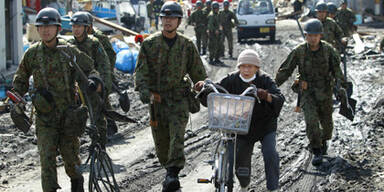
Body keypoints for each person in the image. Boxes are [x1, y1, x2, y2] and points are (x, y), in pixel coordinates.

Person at [12, 7, 101, 192]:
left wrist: (93, 81)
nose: (45, 30)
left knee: (71, 161)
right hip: (44, 119)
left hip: (68, 117)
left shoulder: (68, 51)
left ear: (58, 28)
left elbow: (89, 68)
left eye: (49, 26)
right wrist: (17, 97)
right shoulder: (32, 53)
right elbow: (21, 79)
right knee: (47, 161)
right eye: (41, 27)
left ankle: (77, 185)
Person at [134, 2, 207, 191]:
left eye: (172, 18)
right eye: (165, 18)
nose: (168, 21)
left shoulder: (186, 45)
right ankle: (169, 170)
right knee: (161, 144)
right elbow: (141, 74)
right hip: (157, 102)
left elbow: (198, 73)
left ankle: (172, 174)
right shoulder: (149, 44)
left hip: (179, 99)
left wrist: (203, 85)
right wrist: (145, 93)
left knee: (177, 137)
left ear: (179, 21)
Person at [196, 49, 284, 192]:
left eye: (250, 66)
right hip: (241, 126)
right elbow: (215, 91)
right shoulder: (231, 79)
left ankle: (273, 188)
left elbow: (279, 98)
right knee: (240, 161)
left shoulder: (265, 79)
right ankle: (244, 186)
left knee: (270, 153)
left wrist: (266, 95)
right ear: (239, 67)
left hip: (265, 125)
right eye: (243, 66)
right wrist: (203, 89)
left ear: (257, 68)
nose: (247, 69)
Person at [275, 19, 347, 166]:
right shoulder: (299, 51)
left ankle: (323, 141)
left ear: (320, 36)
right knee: (311, 120)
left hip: (325, 91)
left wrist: (341, 87)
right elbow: (286, 70)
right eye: (310, 35)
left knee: (327, 127)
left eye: (316, 35)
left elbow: (337, 71)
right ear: (306, 36)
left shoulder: (329, 50)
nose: (313, 38)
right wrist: (273, 86)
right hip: (307, 92)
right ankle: (316, 149)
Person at [68, 11, 112, 146]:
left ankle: (100, 144)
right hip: (75, 86)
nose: (76, 29)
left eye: (79, 26)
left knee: (97, 116)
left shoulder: (94, 43)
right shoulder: (68, 44)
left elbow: (104, 65)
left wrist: (103, 87)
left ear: (86, 28)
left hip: (92, 83)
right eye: (74, 26)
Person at [86, 12, 119, 136]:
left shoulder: (99, 37)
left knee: (103, 99)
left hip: (101, 71)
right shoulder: (79, 39)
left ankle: (110, 124)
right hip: (88, 73)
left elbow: (111, 54)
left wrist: (106, 72)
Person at [207, 1, 224, 65]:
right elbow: (210, 25)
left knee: (219, 45)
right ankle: (211, 59)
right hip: (213, 33)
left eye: (217, 8)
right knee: (212, 46)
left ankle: (217, 59)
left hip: (218, 33)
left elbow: (219, 22)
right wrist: (215, 30)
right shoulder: (212, 15)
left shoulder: (218, 14)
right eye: (215, 8)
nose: (216, 9)